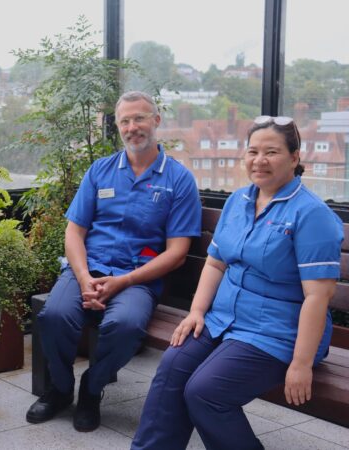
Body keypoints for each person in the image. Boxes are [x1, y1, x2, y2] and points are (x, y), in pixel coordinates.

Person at [132, 116, 343, 450]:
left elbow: (318, 296)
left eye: (271, 152)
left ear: (294, 157)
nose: (259, 160)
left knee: (205, 392)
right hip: (224, 319)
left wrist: (301, 365)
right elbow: (216, 262)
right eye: (253, 151)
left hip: (278, 332)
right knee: (173, 367)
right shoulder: (239, 200)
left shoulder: (311, 214)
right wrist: (197, 311)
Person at [26, 91, 202, 432]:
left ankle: (92, 388)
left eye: (139, 118)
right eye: (125, 121)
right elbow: (74, 233)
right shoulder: (100, 171)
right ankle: (60, 389)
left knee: (125, 326)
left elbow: (178, 252)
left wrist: (122, 282)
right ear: (118, 127)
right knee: (55, 315)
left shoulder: (178, 180)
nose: (132, 127)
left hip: (137, 278)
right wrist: (82, 278)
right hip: (88, 270)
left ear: (156, 121)